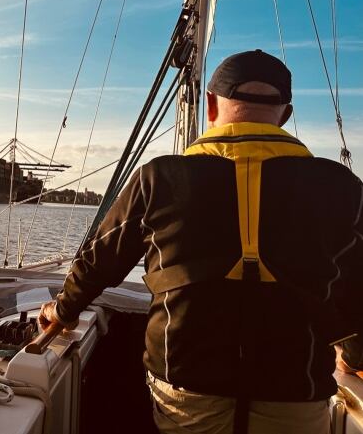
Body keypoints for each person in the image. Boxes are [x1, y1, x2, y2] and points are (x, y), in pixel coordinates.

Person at [39, 50, 363, 434]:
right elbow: (355, 290)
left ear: (210, 105)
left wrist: (63, 311)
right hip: (295, 391)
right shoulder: (342, 187)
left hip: (186, 390)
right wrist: (354, 355)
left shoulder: (158, 178)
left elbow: (98, 263)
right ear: (286, 115)